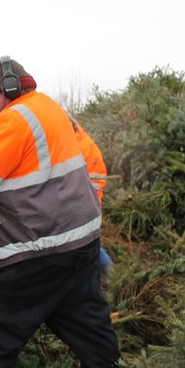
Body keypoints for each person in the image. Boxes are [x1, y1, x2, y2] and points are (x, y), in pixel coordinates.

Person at [0, 56, 121, 367]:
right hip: (81, 244)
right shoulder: (48, 108)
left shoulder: (15, 119)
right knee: (88, 327)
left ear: (9, 87)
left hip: (37, 252)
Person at [69, 115, 113, 273]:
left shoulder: (77, 144)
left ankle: (106, 269)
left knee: (84, 242)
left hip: (85, 202)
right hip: (87, 201)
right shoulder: (79, 139)